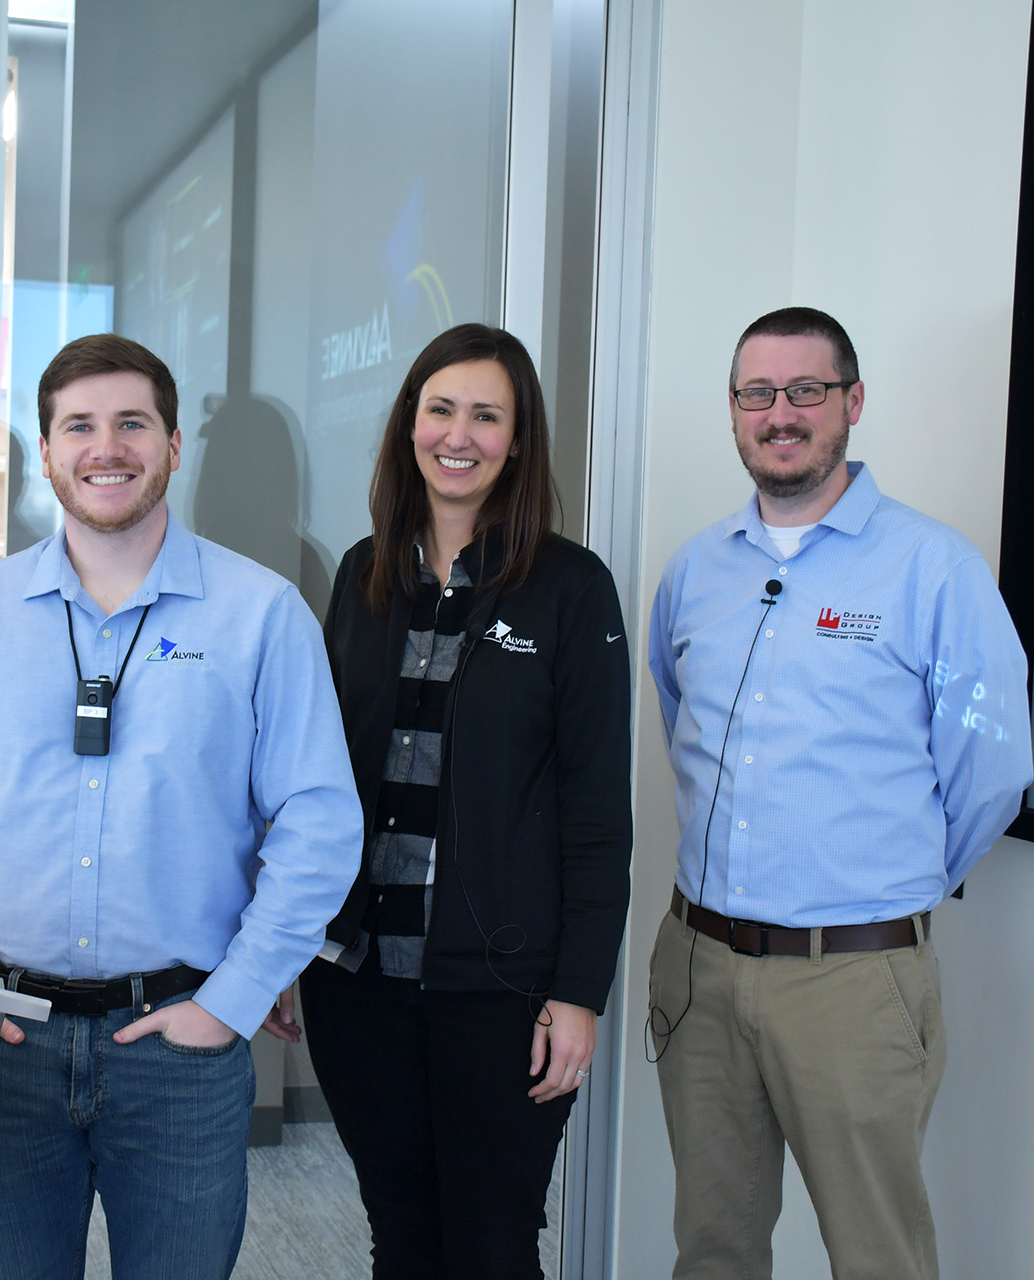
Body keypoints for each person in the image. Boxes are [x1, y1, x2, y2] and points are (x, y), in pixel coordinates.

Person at [0, 333, 362, 1280]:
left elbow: (319, 826)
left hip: (180, 1049)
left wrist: (234, 1000)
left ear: (175, 445)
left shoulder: (263, 615)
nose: (107, 448)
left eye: (132, 423)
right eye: (80, 426)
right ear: (49, 448)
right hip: (4, 1046)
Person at [646, 307, 1034, 1280]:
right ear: (733, 411)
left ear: (852, 402)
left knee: (877, 1254)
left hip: (854, 978)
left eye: (807, 390)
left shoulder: (932, 566)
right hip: (700, 963)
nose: (782, 413)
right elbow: (679, 723)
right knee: (713, 1246)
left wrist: (881, 881)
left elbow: (991, 770)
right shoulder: (696, 570)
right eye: (757, 393)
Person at [299, 323, 634, 1280]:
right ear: (410, 422)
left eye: (488, 415)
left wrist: (578, 993)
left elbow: (597, 815)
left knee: (490, 1248)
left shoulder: (570, 589)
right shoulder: (363, 574)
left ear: (518, 439)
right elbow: (320, 788)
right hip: (359, 983)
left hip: (503, 995)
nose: (461, 433)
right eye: (440, 408)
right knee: (400, 1238)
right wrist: (294, 942)